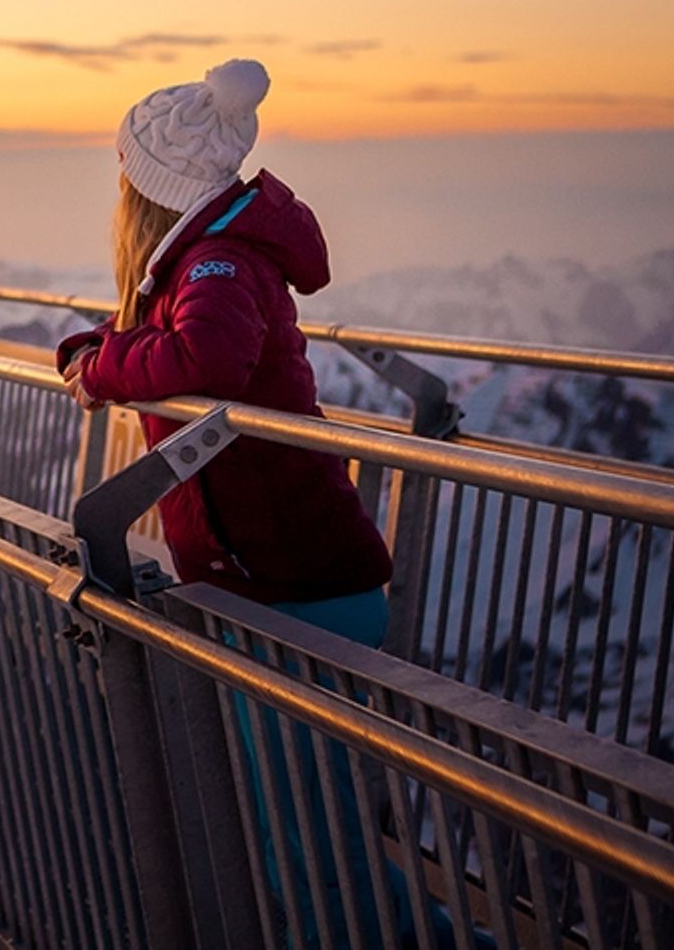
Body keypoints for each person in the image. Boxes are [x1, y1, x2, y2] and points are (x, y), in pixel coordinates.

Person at [56, 58, 422, 946]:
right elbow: (175, 339)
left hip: (297, 591)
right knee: (299, 836)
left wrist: (102, 369)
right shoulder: (204, 258)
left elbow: (207, 361)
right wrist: (95, 345)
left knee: (316, 844)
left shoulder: (215, 261)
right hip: (280, 584)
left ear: (150, 191)